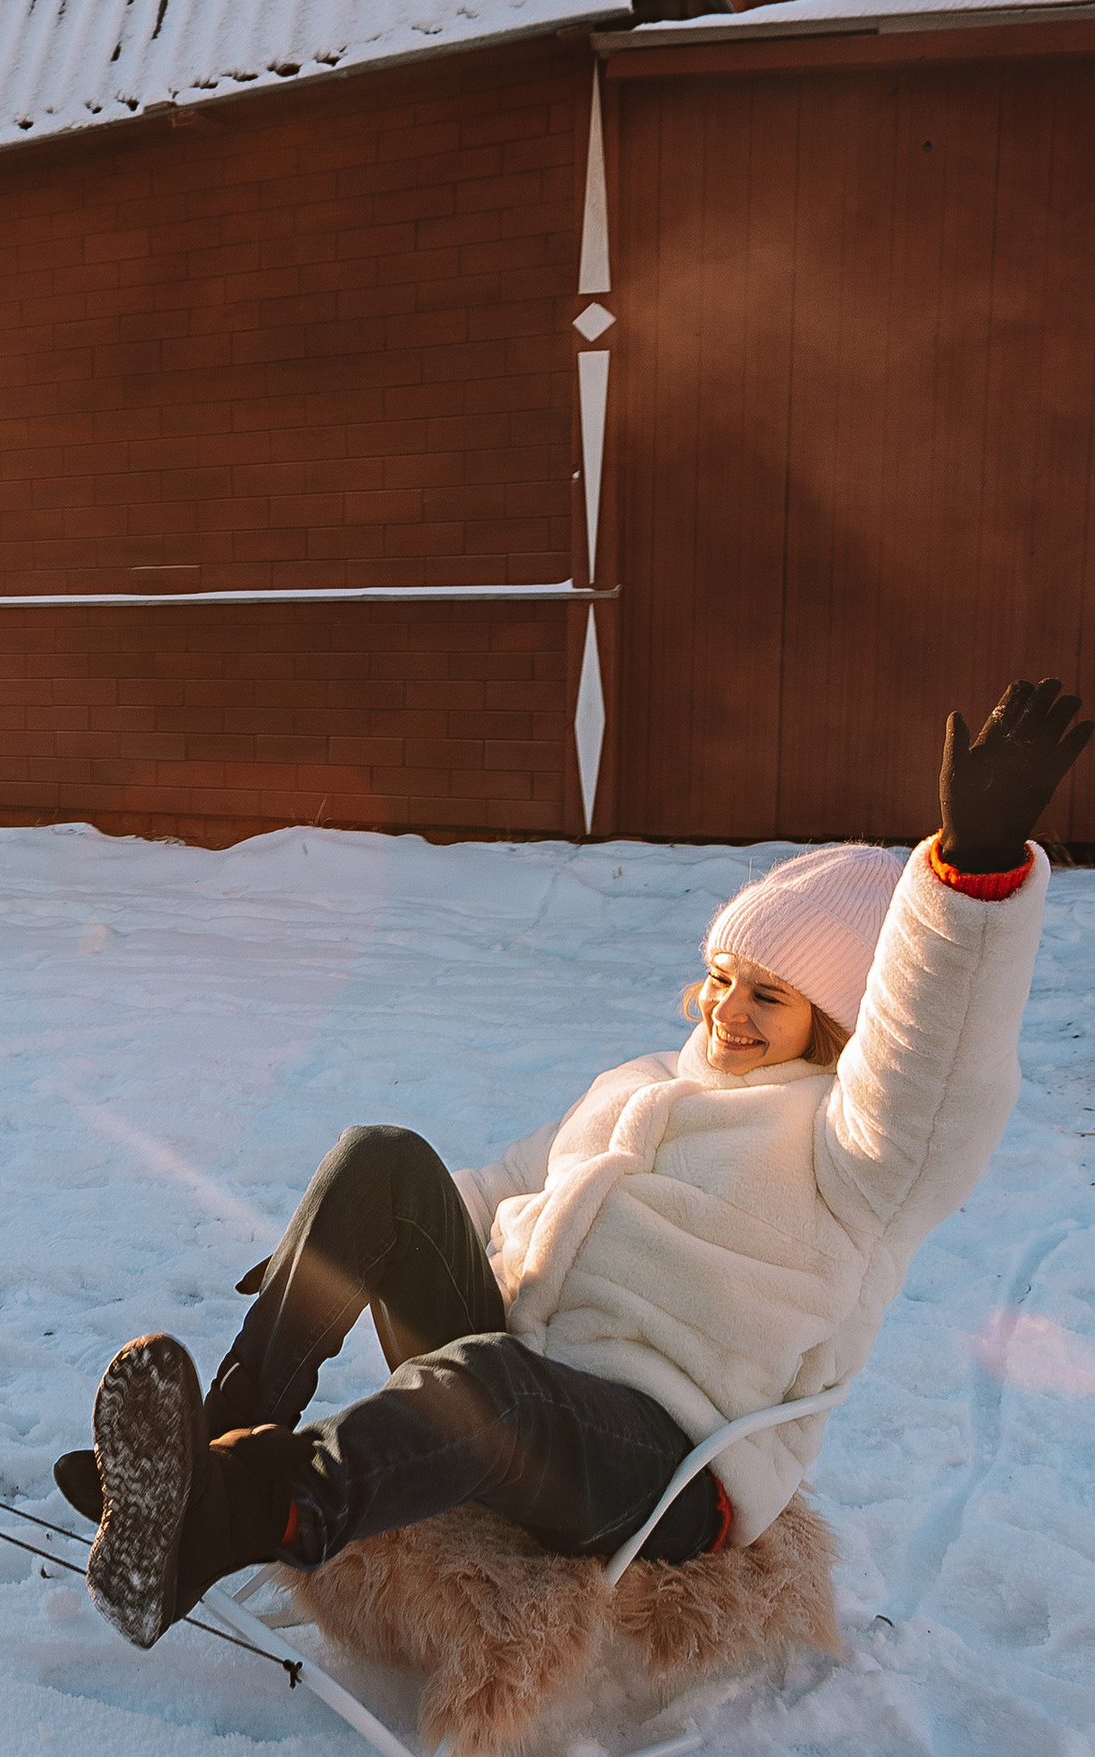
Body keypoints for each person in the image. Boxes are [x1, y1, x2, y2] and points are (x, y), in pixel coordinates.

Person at [62, 681, 1085, 1652]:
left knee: (492, 1386)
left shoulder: (857, 1152)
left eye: (768, 998)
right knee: (380, 1162)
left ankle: (237, 1515)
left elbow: (931, 1069)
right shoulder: (643, 1084)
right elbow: (496, 1193)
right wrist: (332, 1244)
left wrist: (968, 881)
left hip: (666, 1458)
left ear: (838, 1024)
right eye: (722, 978)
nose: (726, 1010)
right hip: (531, 1365)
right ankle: (207, 1457)